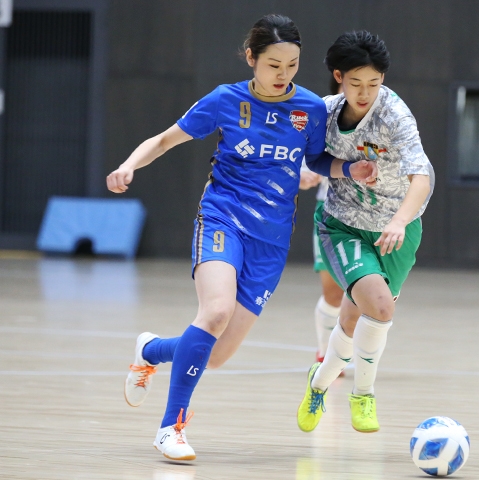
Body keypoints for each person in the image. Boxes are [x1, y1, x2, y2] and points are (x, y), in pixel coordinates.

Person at [107, 14, 376, 461]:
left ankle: (151, 349)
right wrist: (130, 164)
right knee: (213, 313)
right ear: (251, 58)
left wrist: (349, 169)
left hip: (270, 242)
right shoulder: (224, 100)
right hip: (223, 220)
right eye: (273, 65)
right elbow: (164, 139)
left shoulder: (309, 108)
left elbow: (316, 160)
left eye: (291, 65)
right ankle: (170, 428)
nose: (283, 75)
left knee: (215, 355)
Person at [297, 31, 435, 434]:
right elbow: (308, 157)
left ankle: (318, 384)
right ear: (339, 76)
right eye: (356, 83)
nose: (365, 93)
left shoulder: (395, 115)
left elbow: (421, 177)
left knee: (356, 315)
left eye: (374, 84)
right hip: (343, 224)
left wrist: (399, 221)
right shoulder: (322, 113)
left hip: (398, 227)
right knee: (380, 306)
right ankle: (364, 394)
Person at [299, 76, 345, 367]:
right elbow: (305, 167)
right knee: (333, 292)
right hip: (330, 212)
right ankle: (324, 350)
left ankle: (356, 352)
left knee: (368, 294)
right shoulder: (323, 120)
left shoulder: (383, 119)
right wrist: (305, 175)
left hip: (371, 214)